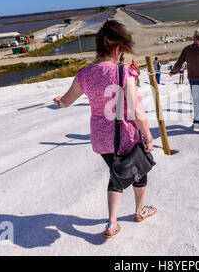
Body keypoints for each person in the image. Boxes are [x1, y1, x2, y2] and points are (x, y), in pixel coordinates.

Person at [53, 20, 156, 239]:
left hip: (101, 139)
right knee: (139, 171)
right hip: (126, 136)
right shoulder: (123, 73)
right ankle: (139, 211)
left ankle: (112, 223)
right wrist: (147, 136)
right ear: (117, 48)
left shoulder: (84, 74)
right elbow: (137, 111)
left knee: (116, 174)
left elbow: (67, 100)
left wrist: (59, 102)